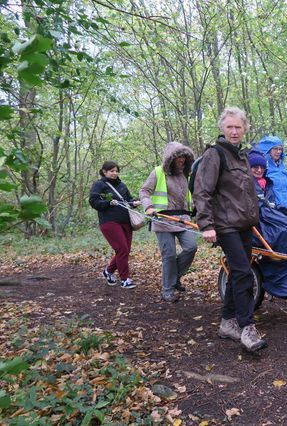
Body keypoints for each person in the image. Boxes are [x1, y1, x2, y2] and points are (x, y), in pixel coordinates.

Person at [193, 107, 267, 352]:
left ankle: (227, 323)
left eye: (238, 127)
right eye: (229, 127)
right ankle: (247, 328)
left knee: (238, 273)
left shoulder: (243, 156)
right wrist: (206, 225)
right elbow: (202, 191)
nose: (234, 131)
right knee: (244, 273)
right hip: (225, 226)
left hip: (244, 224)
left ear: (244, 128)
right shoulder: (216, 154)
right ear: (222, 129)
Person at [139, 142, 197, 303]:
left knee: (191, 247)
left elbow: (193, 196)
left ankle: (174, 277)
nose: (182, 160)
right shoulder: (158, 172)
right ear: (171, 158)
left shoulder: (187, 174)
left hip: (183, 219)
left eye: (184, 157)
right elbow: (144, 191)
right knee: (169, 255)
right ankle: (168, 289)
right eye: (178, 157)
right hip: (162, 220)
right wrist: (148, 207)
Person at [248, 150, 287, 299]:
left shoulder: (268, 183)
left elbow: (276, 201)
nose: (259, 170)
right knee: (282, 234)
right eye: (255, 167)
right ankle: (278, 280)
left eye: (261, 167)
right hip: (258, 223)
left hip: (271, 217)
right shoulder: (246, 184)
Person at [89, 161, 141, 289]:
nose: (114, 173)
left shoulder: (122, 185)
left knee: (125, 250)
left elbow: (128, 200)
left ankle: (108, 271)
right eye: (111, 171)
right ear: (104, 172)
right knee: (122, 249)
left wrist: (135, 202)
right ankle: (125, 279)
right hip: (109, 222)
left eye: (116, 171)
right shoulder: (99, 185)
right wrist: (108, 203)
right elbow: (93, 202)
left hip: (126, 221)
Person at [256, 136, 287, 223]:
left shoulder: (282, 167)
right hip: (270, 211)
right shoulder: (262, 169)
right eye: (275, 149)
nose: (278, 151)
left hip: (284, 210)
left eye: (280, 149)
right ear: (268, 150)